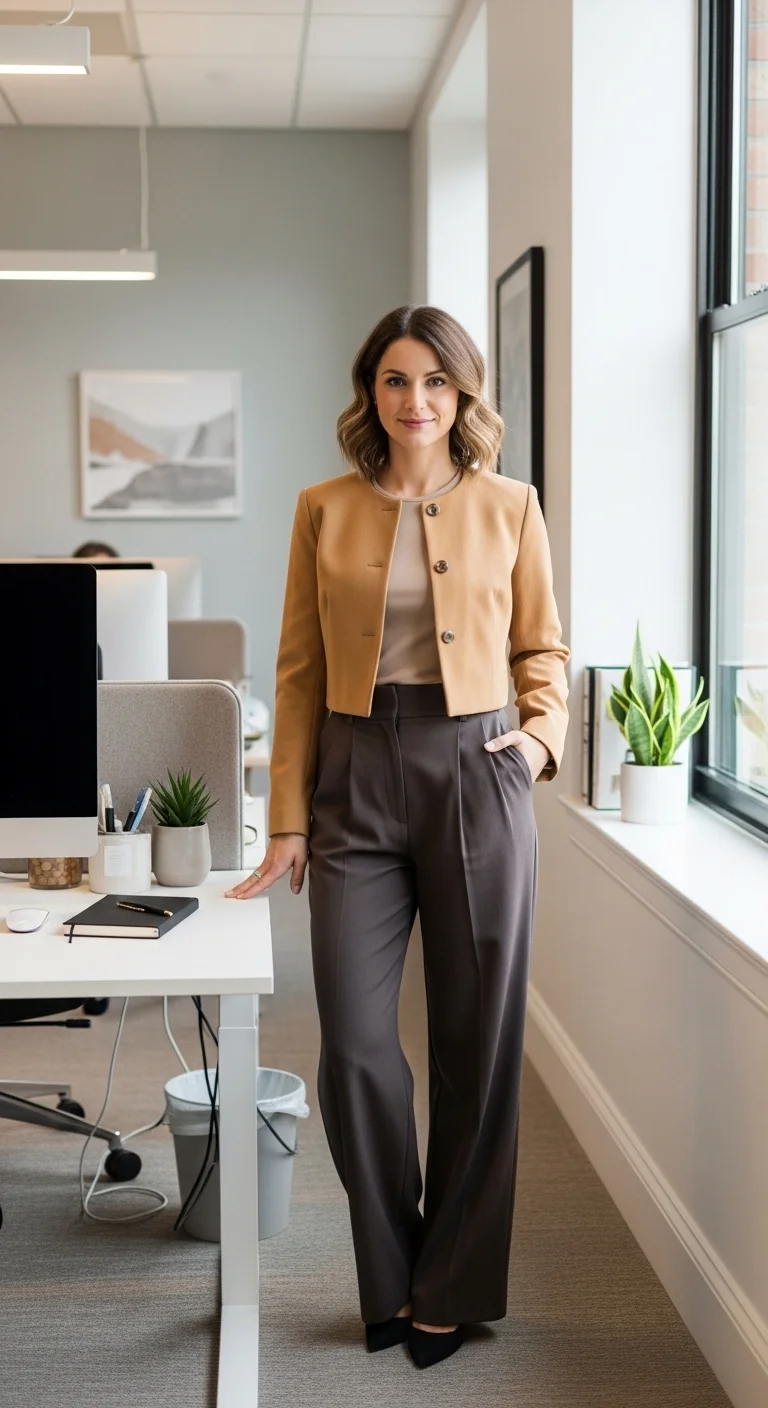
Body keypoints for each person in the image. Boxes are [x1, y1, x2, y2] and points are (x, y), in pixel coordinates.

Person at [226, 305, 570, 1370]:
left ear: (464, 396)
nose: (414, 400)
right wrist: (288, 818)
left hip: (478, 770)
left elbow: (544, 650)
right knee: (358, 1045)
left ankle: (447, 1285)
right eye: (393, 380)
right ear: (368, 392)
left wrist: (536, 742)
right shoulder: (321, 508)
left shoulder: (512, 505)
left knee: (477, 1046)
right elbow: (292, 673)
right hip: (353, 778)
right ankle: (390, 1269)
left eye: (435, 382)